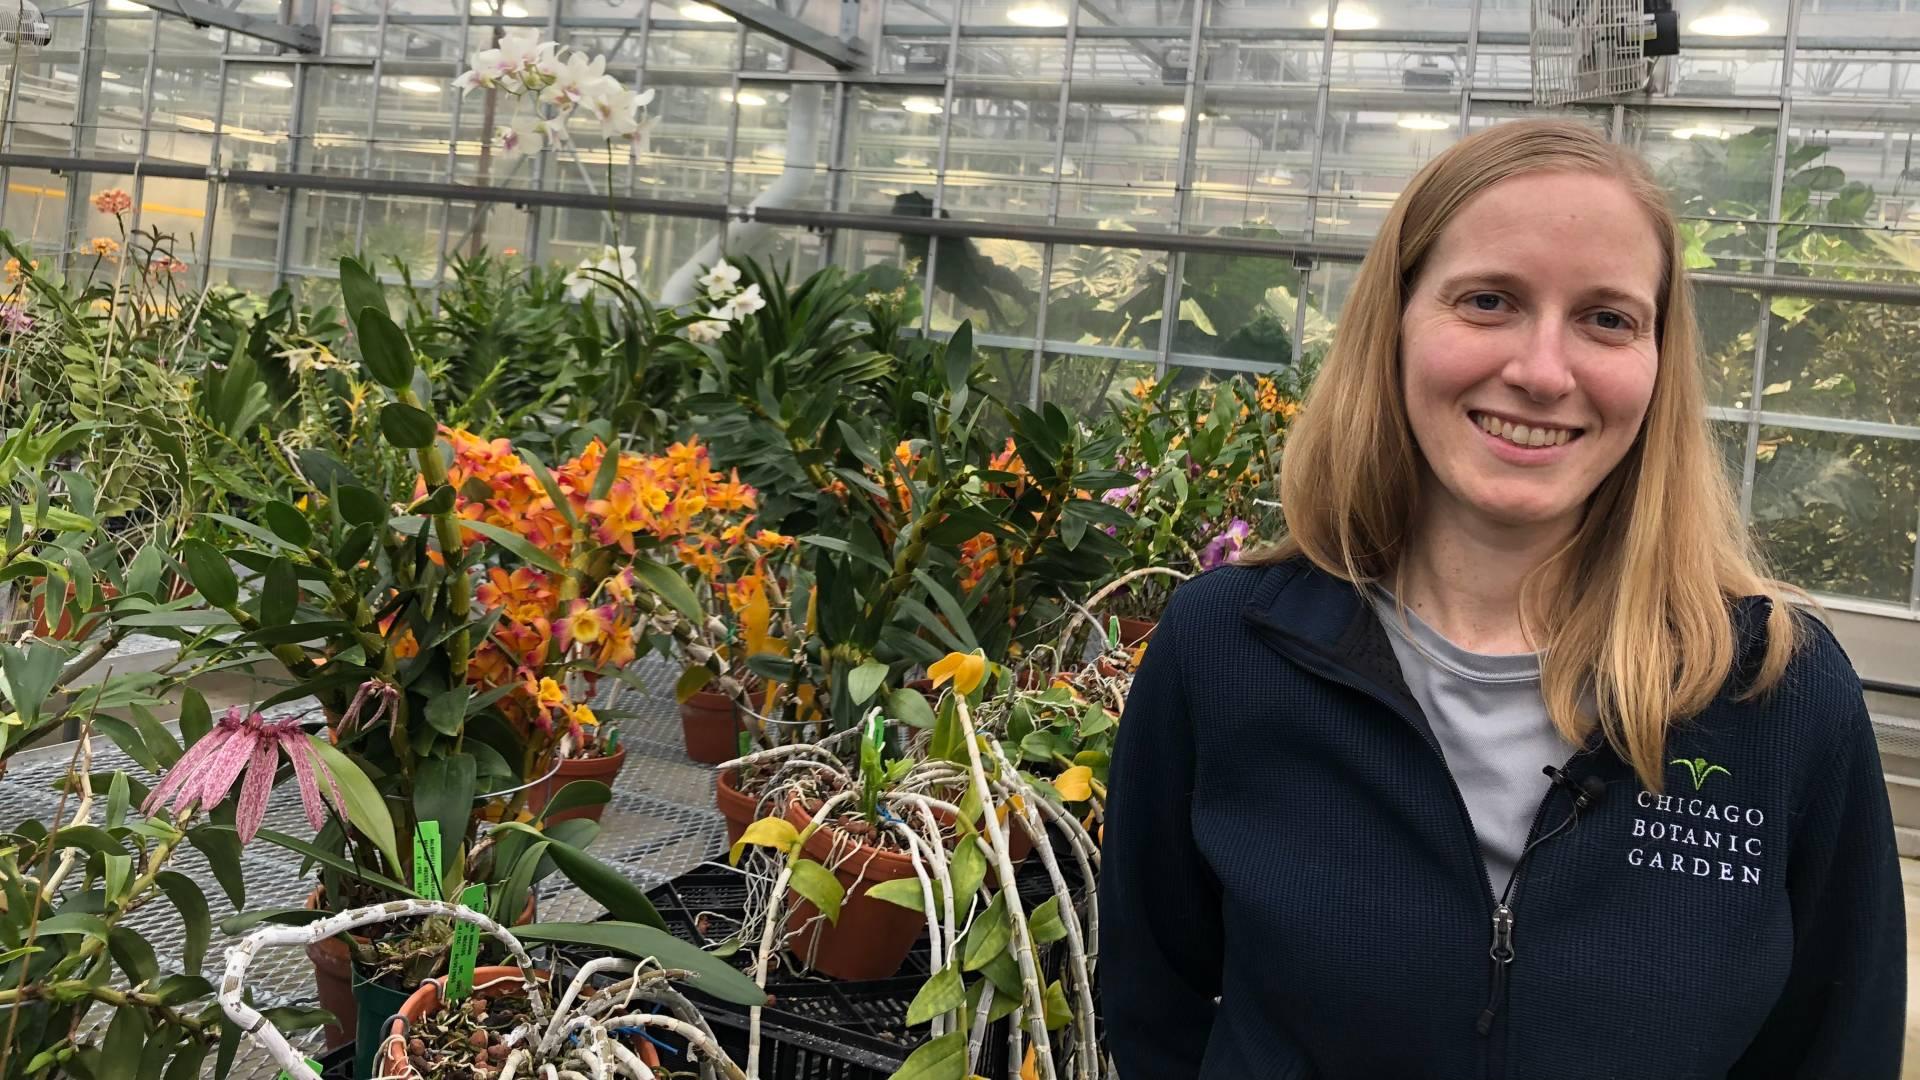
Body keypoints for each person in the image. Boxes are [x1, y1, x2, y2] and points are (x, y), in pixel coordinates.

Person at [1099, 119, 1904, 1079]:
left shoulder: (1778, 695)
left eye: (1608, 318)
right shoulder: (1227, 647)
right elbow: (1154, 1001)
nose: (1542, 372)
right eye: (1488, 300)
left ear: (1657, 362)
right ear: (1394, 324)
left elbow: (1835, 1043)